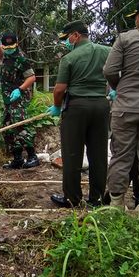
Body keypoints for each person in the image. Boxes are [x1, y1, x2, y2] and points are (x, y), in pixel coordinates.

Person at [47, 20, 111, 208]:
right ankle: (96, 199)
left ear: (75, 35)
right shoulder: (107, 51)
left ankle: (72, 198)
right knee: (98, 155)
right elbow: (117, 72)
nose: (67, 42)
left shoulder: (69, 58)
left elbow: (59, 89)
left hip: (76, 107)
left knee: (72, 153)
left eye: (67, 38)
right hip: (101, 105)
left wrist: (57, 106)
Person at [103, 0, 139, 210]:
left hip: (126, 107)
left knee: (121, 154)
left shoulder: (126, 38)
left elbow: (109, 70)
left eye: (137, 17)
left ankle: (117, 204)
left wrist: (119, 88)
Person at [0, 32, 39, 169]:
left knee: (20, 125)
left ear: (17, 44)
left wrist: (20, 90)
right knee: (7, 128)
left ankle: (33, 156)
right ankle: (17, 159)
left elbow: (31, 77)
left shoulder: (21, 59)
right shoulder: (7, 56)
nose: (8, 50)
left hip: (18, 98)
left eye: (11, 47)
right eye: (6, 47)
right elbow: (2, 55)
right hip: (8, 99)